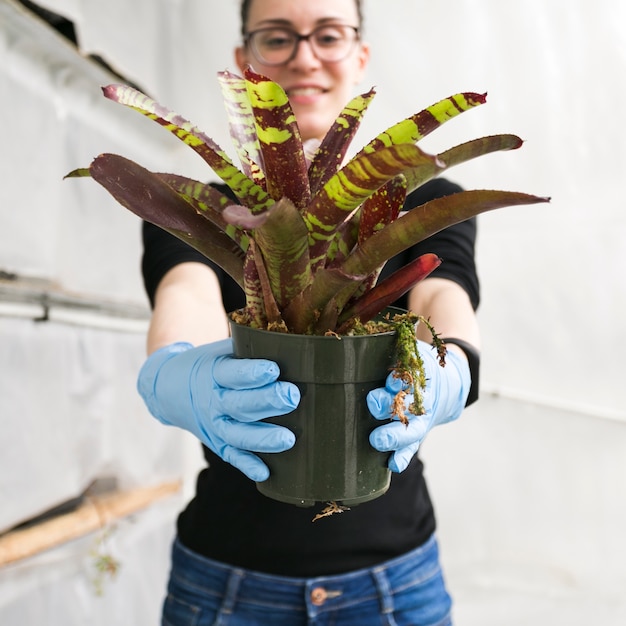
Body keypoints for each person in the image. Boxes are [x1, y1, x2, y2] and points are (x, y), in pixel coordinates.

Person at [139, 0, 481, 623]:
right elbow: (185, 297)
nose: (304, 58)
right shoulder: (203, 208)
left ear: (360, 55)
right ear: (245, 61)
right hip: (225, 579)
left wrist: (453, 368)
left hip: (395, 578)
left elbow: (441, 295)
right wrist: (175, 372)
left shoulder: (419, 194)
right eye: (277, 38)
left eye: (328, 35)